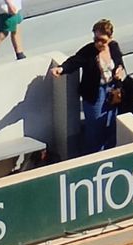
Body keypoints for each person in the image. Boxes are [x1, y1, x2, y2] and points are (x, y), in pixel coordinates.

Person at [50, 20, 126, 152]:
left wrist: (120, 70)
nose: (99, 43)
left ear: (110, 38)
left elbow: (119, 62)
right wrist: (61, 69)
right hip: (95, 92)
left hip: (112, 90)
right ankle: (95, 155)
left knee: (112, 124)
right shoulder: (89, 50)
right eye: (96, 39)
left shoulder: (113, 47)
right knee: (95, 128)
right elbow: (74, 61)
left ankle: (109, 153)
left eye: (102, 40)